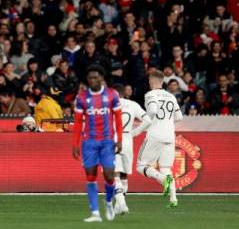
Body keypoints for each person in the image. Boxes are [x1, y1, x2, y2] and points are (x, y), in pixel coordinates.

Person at [72, 65, 123, 222]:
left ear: (101, 78)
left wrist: (119, 139)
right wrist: (75, 144)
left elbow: (118, 119)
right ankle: (95, 213)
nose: (92, 80)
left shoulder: (112, 95)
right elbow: (78, 123)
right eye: (90, 78)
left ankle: (108, 202)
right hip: (89, 142)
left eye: (95, 77)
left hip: (107, 140)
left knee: (109, 175)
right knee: (91, 176)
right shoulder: (81, 98)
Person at [132, 70, 183, 208]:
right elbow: (179, 117)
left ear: (151, 81)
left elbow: (153, 111)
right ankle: (173, 200)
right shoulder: (171, 96)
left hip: (155, 134)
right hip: (169, 135)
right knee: (166, 167)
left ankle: (163, 180)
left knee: (141, 166)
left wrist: (147, 121)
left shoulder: (150, 94)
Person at [112, 84, 148, 215]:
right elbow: (148, 120)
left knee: (113, 174)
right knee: (124, 174)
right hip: (127, 140)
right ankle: (120, 205)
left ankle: (121, 204)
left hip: (113, 140)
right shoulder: (133, 104)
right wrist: (134, 133)